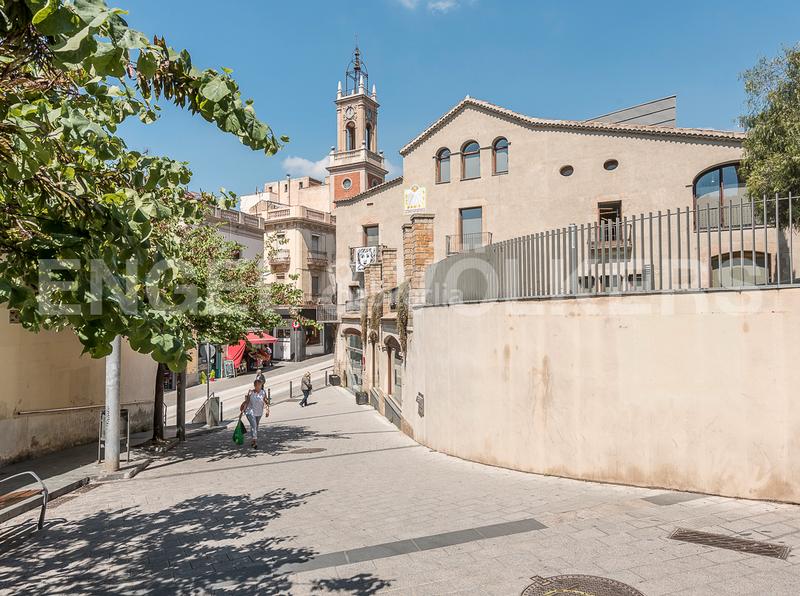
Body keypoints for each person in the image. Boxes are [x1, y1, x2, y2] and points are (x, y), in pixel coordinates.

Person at [240, 379, 268, 449]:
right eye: (258, 385)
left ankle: (253, 440)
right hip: (250, 412)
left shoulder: (263, 392)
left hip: (259, 412)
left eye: (260, 385)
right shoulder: (251, 392)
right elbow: (247, 402)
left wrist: (267, 410)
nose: (259, 387)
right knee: (254, 425)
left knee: (255, 426)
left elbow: (266, 401)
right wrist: (242, 412)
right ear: (255, 386)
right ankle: (254, 442)